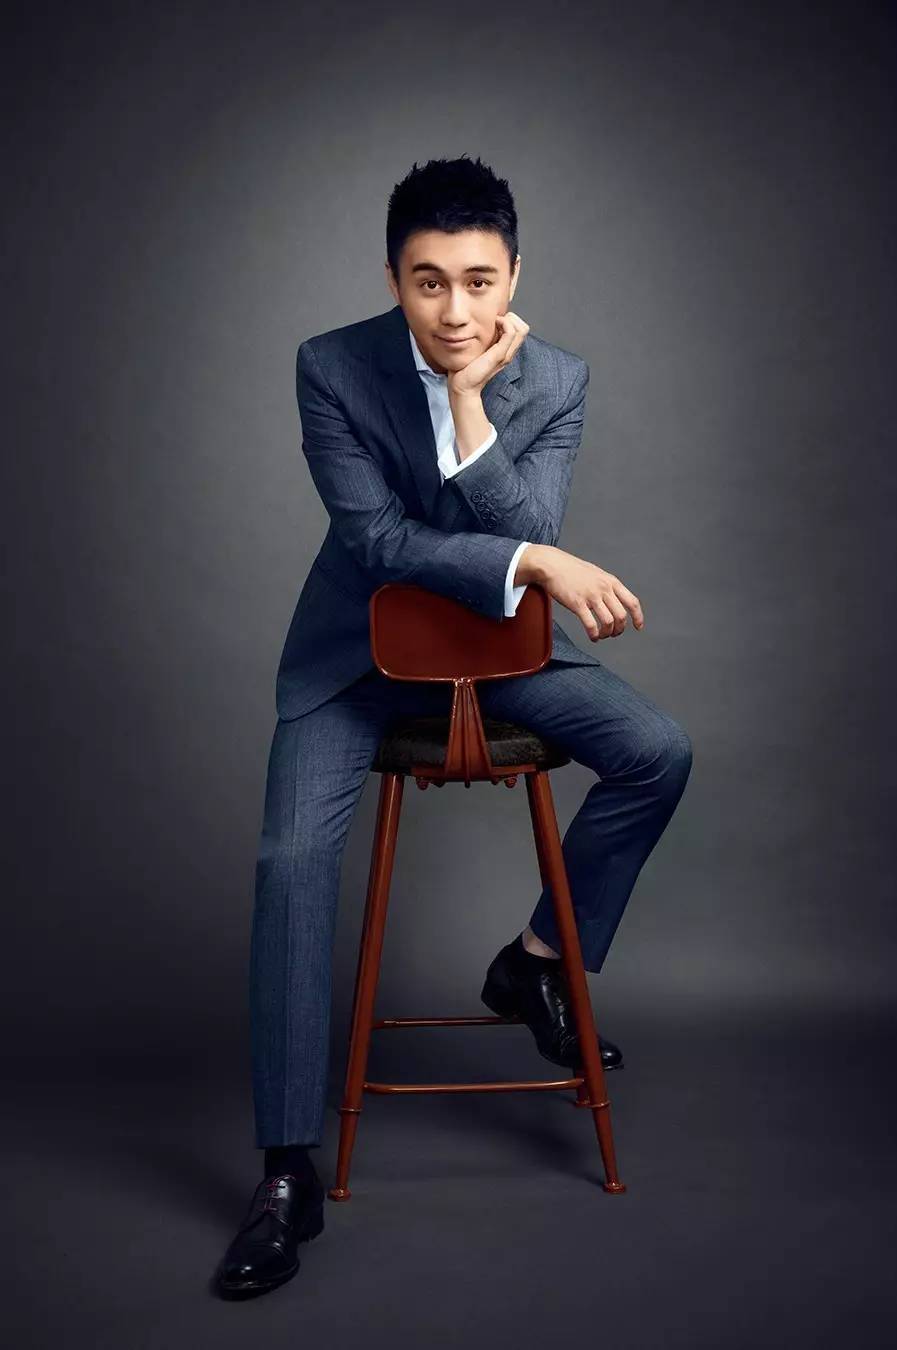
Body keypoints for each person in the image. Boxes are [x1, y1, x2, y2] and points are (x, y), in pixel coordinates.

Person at [215, 154, 692, 1298]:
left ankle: (534, 967)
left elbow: (531, 521)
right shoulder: (331, 365)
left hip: (499, 656)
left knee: (657, 753)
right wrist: (539, 564)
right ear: (394, 280)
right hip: (355, 662)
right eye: (429, 282)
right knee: (289, 862)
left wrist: (474, 407)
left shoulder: (558, 378)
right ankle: (284, 1174)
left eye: (479, 282)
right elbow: (376, 541)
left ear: (514, 276)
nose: (456, 310)